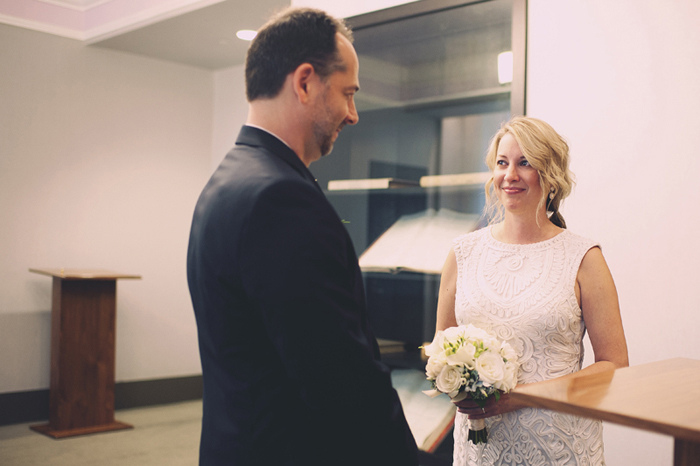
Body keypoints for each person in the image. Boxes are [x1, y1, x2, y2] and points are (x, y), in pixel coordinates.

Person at [186, 7, 418, 466]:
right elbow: (339, 380)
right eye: (348, 93)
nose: (353, 115)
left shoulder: (227, 180)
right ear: (306, 82)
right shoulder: (280, 199)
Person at [435, 116, 629, 465]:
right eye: (502, 163)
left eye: (525, 163)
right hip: (481, 451)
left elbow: (614, 364)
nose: (510, 175)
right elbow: (441, 345)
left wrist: (520, 397)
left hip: (558, 448)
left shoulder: (584, 258)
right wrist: (455, 382)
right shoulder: (463, 252)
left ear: (550, 174)